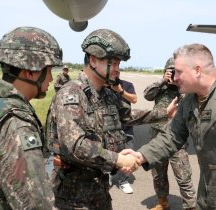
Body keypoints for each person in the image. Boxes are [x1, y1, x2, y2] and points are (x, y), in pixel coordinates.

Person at [123, 43, 216, 209]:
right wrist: (140, 156)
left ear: (197, 70)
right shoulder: (189, 101)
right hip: (207, 195)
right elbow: (172, 136)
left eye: (179, 72)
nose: (175, 77)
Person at [46, 28, 177, 210]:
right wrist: (116, 159)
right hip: (73, 196)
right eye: (113, 64)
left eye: (119, 64)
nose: (117, 70)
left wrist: (164, 112)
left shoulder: (106, 94)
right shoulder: (71, 95)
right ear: (93, 60)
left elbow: (127, 116)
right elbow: (75, 145)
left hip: (100, 189)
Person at [0, 26, 63, 209]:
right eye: (48, 70)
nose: (50, 78)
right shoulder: (15, 122)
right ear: (30, 71)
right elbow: (35, 203)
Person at [143, 57, 196, 210]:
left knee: (183, 175)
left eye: (177, 71)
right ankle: (163, 202)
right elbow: (147, 94)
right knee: (158, 174)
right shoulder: (161, 86)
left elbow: (193, 103)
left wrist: (181, 83)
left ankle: (190, 206)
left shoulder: (185, 89)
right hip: (157, 135)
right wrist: (162, 81)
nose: (174, 75)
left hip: (176, 138)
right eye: (171, 71)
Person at [109, 76, 137, 194]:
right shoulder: (104, 86)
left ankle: (123, 181)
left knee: (129, 155)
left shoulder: (127, 84)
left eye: (118, 67)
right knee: (109, 154)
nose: (116, 71)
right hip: (110, 129)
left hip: (127, 128)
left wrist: (120, 91)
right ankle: (107, 176)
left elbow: (134, 99)